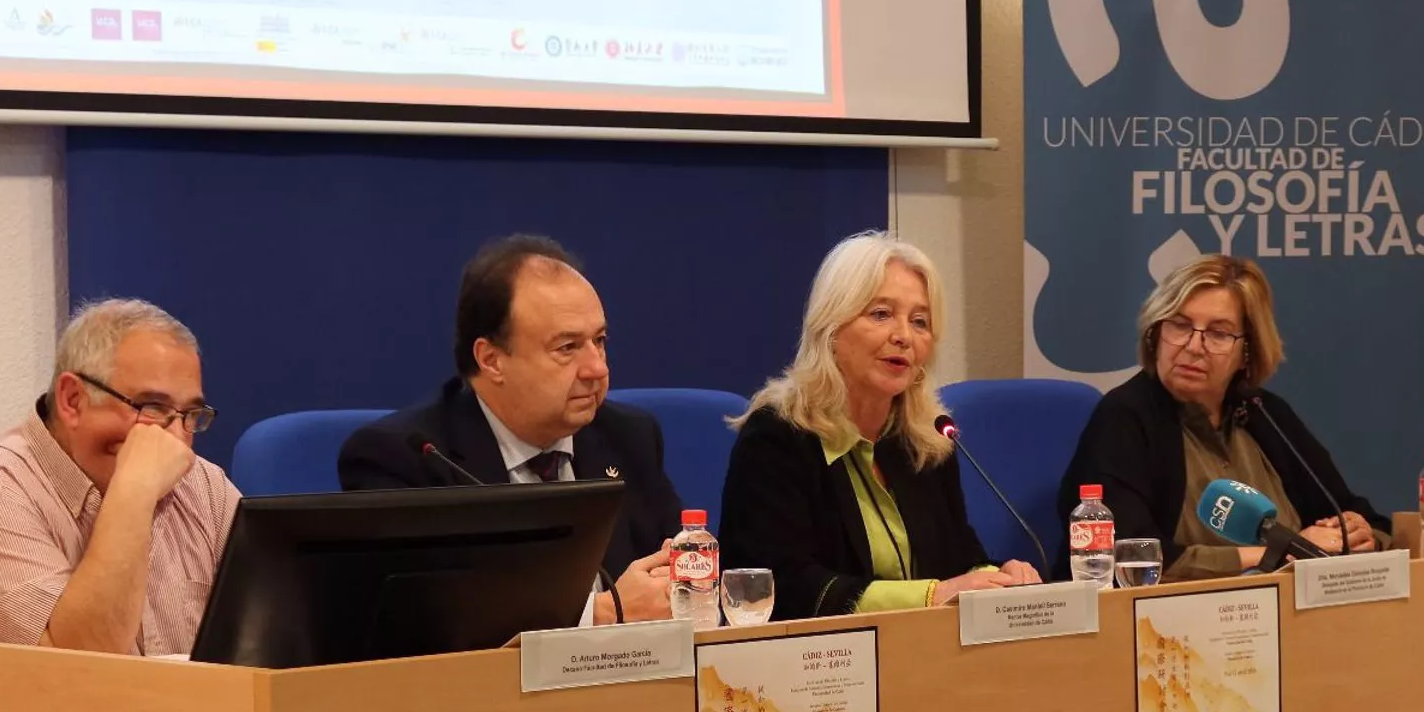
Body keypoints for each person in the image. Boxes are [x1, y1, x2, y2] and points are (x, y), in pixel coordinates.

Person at [339, 235, 681, 624]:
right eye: (567, 348)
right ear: (491, 360)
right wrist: (597, 616)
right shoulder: (407, 459)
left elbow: (675, 571)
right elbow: (421, 619)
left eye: (599, 341)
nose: (597, 369)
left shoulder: (628, 438)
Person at [720, 231, 1041, 619]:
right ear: (832, 329)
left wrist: (998, 578)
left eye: (920, 322)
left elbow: (959, 556)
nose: (904, 336)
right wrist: (932, 596)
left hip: (927, 660)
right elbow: (784, 585)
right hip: (821, 668)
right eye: (881, 314)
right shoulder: (778, 436)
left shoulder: (926, 439)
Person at [1062, 254, 1388, 579]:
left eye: (1218, 333)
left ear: (1247, 352)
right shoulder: (1125, 418)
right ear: (1155, 333)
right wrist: (1282, 551)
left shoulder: (1266, 414)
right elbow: (1129, 557)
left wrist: (1360, 534)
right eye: (1179, 325)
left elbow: (1354, 513)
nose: (1193, 346)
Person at [0, 299, 238, 655]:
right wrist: (135, 491)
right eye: (151, 408)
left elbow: (274, 634)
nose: (175, 441)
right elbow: (78, 670)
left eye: (189, 414)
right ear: (73, 400)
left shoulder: (204, 485)